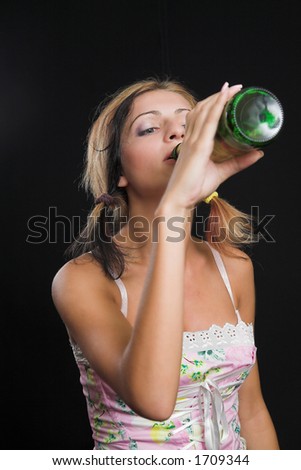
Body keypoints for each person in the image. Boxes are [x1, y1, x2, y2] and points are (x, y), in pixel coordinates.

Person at [51, 77, 279, 450]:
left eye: (189, 124)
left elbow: (251, 412)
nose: (177, 135)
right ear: (118, 170)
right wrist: (175, 209)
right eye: (150, 127)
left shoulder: (234, 266)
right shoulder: (83, 280)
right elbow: (155, 400)